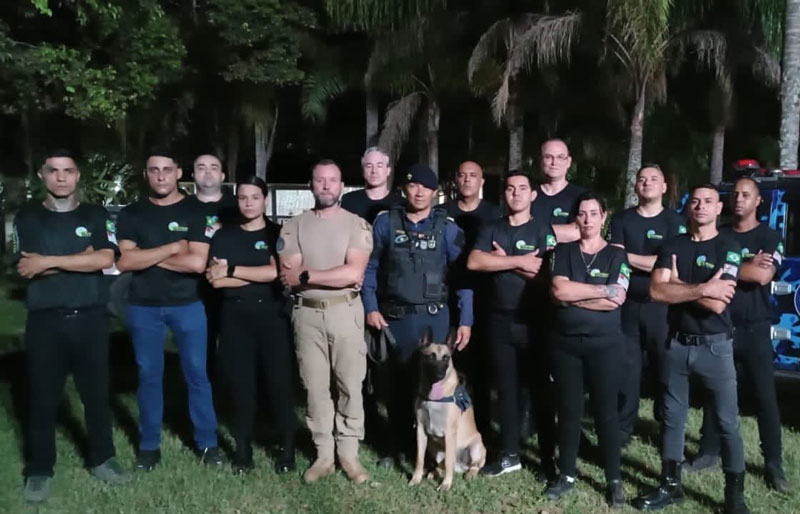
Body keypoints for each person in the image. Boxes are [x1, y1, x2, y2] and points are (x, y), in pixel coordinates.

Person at [14, 150, 129, 503]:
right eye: (54, 170)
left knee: (96, 395)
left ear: (78, 175)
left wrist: (48, 261)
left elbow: (105, 258)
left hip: (91, 318)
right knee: (43, 397)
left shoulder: (95, 214)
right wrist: (83, 258)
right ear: (42, 175)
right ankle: (39, 469)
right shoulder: (28, 217)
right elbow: (27, 268)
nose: (61, 177)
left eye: (68, 170)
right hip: (45, 321)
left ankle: (102, 459)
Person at [634, 184, 750, 514]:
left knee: (727, 423)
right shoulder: (673, 245)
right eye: (695, 201)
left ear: (718, 208)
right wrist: (701, 288)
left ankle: (734, 496)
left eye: (708, 201)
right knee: (673, 420)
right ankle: (670, 486)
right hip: (677, 344)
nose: (700, 206)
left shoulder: (729, 247)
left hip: (715, 348)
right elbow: (656, 292)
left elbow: (718, 303)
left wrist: (677, 286)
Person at [116, 150, 224, 471]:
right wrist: (173, 248)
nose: (161, 175)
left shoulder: (196, 211)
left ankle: (208, 443)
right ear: (146, 174)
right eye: (154, 170)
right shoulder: (132, 213)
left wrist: (146, 255)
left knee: (197, 374)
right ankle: (149, 446)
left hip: (188, 304)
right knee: (149, 375)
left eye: (167, 169)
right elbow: (124, 261)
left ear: (178, 173)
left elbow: (196, 263)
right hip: (143, 306)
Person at [363, 163, 473, 467]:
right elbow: (369, 268)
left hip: (434, 319)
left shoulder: (447, 228)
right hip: (396, 320)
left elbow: (463, 276)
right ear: (404, 189)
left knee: (434, 386)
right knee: (397, 387)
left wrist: (466, 319)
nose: (419, 192)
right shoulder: (385, 223)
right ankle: (397, 447)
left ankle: (433, 449)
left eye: (426, 187)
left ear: (435, 193)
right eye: (413, 186)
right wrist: (370, 306)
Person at [685, 177, 789, 491]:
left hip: (756, 328)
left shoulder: (769, 236)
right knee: (714, 392)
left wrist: (730, 265)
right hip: (722, 325)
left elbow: (762, 275)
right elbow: (706, 271)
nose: (739, 199)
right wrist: (744, 262)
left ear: (758, 201)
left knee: (765, 397)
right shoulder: (721, 233)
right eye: (735, 194)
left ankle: (773, 464)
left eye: (746, 195)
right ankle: (709, 452)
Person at [277, 159, 373, 484]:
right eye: (320, 180)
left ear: (342, 185)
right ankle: (324, 455)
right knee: (315, 387)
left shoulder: (356, 225)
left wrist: (308, 275)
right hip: (306, 315)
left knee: (350, 384)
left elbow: (354, 272)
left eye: (332, 180)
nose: (326, 186)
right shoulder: (294, 226)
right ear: (311, 185)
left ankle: (349, 454)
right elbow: (289, 274)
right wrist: (327, 275)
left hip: (345, 311)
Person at [467, 170, 556, 478]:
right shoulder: (492, 228)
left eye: (522, 188)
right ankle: (509, 455)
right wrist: (520, 261)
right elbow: (475, 261)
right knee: (505, 390)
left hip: (534, 321)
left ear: (533, 195)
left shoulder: (543, 230)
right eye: (510, 189)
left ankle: (547, 459)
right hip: (499, 321)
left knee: (540, 392)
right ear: (504, 194)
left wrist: (503, 261)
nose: (516, 193)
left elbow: (547, 277)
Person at [205, 176, 296, 475]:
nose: (248, 203)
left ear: (265, 200)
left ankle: (286, 451)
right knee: (241, 386)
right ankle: (243, 452)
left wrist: (232, 270)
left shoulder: (277, 233)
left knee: (278, 384)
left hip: (273, 317)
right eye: (243, 197)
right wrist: (256, 274)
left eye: (255, 197)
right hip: (235, 317)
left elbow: (276, 274)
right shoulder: (223, 236)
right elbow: (216, 281)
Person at [545, 192, 629, 508]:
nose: (587, 219)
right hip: (565, 344)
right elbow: (558, 291)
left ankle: (614, 480)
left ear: (603, 217)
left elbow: (617, 298)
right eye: (582, 214)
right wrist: (599, 291)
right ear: (575, 219)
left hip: (604, 345)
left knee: (606, 413)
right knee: (569, 410)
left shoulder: (617, 255)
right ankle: (566, 474)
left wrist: (575, 296)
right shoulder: (563, 251)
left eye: (594, 213)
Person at [607, 164, 686, 445]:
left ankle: (665, 427)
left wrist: (628, 257)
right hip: (627, 305)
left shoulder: (674, 222)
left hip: (661, 307)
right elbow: (613, 259)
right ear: (635, 186)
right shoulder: (621, 219)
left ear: (664, 187)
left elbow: (669, 265)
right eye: (642, 179)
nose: (647, 183)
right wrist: (652, 262)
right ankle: (622, 431)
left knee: (665, 368)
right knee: (627, 370)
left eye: (653, 179)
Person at [442, 160, 501, 438]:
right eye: (462, 175)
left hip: (486, 300)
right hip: (448, 297)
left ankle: (482, 429)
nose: (467, 179)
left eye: (473, 175)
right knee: (450, 367)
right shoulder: (443, 213)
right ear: (456, 180)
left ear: (482, 181)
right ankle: (447, 426)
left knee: (482, 371)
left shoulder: (494, 214)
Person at [183, 154, 238, 379]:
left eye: (214, 167)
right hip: (191, 287)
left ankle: (232, 386)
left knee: (234, 345)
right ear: (193, 174)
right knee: (198, 346)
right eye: (201, 167)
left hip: (232, 285)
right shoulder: (182, 207)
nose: (208, 172)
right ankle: (204, 384)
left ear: (222, 175)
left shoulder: (237, 205)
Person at [530, 138, 583, 244]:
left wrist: (531, 232)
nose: (554, 162)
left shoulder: (581, 196)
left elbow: (579, 231)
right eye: (548, 157)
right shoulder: (527, 194)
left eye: (560, 157)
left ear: (568, 162)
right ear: (540, 160)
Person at [340, 146, 404, 224]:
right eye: (369, 166)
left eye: (379, 166)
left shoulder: (401, 204)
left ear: (388, 170)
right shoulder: (348, 202)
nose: (374, 171)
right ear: (363, 170)